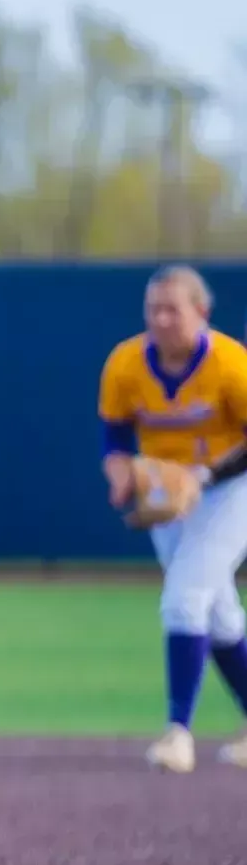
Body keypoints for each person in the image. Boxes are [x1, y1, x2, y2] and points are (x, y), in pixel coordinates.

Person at [99, 264, 247, 772]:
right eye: (153, 309)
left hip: (231, 489)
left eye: (172, 309)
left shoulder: (230, 363)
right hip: (166, 488)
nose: (161, 319)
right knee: (218, 611)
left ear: (201, 313)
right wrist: (120, 474)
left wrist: (203, 477)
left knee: (185, 597)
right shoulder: (126, 363)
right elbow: (115, 436)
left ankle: (177, 733)